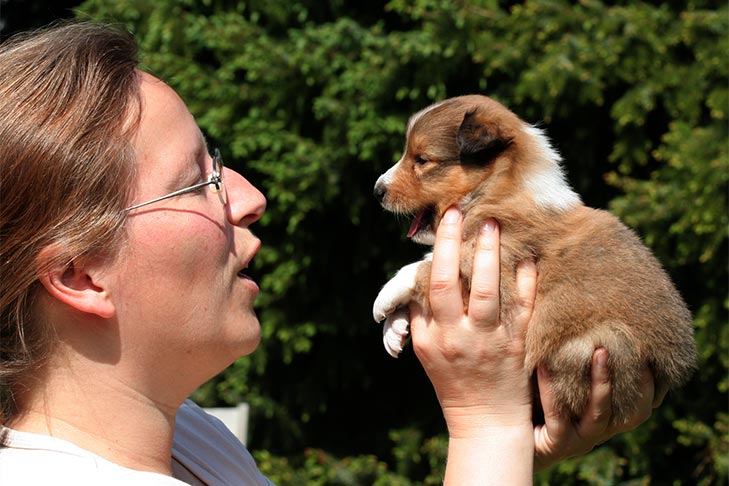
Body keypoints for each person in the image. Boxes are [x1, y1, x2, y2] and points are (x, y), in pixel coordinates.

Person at [0, 22, 659, 485]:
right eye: (196, 180)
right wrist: (488, 431)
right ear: (80, 273)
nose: (250, 195)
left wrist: (511, 449)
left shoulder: (190, 445)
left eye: (220, 161)